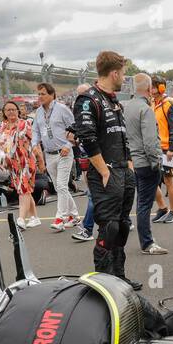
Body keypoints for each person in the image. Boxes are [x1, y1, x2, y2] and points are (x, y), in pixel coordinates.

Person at [77, 50, 140, 290]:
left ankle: (119, 278)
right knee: (110, 226)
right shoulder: (88, 99)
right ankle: (104, 285)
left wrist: (130, 165)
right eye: (123, 73)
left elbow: (122, 139)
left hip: (124, 171)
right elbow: (87, 138)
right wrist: (104, 171)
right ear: (114, 72)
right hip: (106, 173)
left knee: (122, 225)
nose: (124, 77)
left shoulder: (113, 100)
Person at [124, 73, 167, 255]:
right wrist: (157, 161)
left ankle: (146, 240)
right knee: (144, 205)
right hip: (147, 163)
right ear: (149, 89)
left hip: (134, 161)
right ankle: (147, 242)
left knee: (141, 203)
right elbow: (150, 142)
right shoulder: (146, 109)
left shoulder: (126, 107)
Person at [32, 82, 78, 231]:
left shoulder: (62, 109)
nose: (40, 97)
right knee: (59, 187)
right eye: (38, 94)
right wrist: (34, 145)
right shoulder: (38, 112)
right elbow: (36, 131)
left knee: (62, 185)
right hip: (49, 154)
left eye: (43, 93)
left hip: (63, 152)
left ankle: (60, 218)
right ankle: (74, 215)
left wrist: (68, 145)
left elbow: (75, 128)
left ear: (52, 95)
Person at [0, 100, 41, 228]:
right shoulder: (2, 127)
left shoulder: (24, 124)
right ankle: (34, 217)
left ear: (18, 111)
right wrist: (2, 160)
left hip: (25, 162)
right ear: (4, 113)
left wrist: (40, 159)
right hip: (12, 164)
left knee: (23, 190)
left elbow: (32, 142)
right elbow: (2, 145)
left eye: (13, 109)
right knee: (24, 190)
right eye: (8, 110)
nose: (11, 112)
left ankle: (21, 219)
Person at [70, 83, 98, 242]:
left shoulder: (96, 108)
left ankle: (87, 229)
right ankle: (125, 221)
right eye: (79, 96)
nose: (82, 99)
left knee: (94, 194)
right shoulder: (80, 112)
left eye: (85, 94)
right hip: (87, 156)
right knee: (94, 193)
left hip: (100, 158)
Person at [152, 78, 173, 220]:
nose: (149, 90)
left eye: (152, 87)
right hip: (154, 149)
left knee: (169, 180)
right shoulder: (152, 104)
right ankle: (163, 208)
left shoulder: (169, 105)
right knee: (152, 181)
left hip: (166, 150)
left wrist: (172, 148)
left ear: (161, 88)